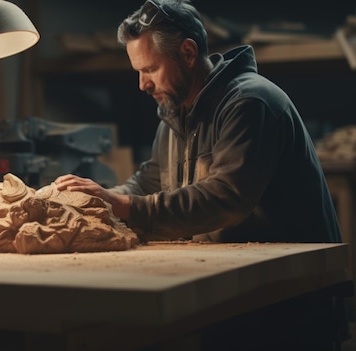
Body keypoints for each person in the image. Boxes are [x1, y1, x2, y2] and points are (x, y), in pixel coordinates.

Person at [54, 0, 350, 349]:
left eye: (149, 69)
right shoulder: (176, 112)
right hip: (234, 302)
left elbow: (226, 197)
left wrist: (123, 205)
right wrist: (91, 202)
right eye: (138, 71)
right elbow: (149, 181)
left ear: (189, 53)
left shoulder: (250, 103)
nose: (142, 85)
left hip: (290, 309)